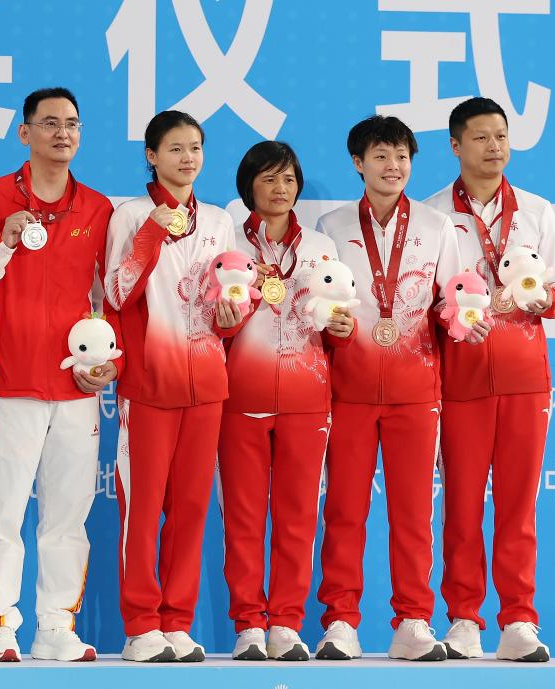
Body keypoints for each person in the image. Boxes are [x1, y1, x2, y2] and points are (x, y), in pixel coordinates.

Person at [315, 115, 482, 662]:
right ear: (358, 163)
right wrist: (331, 324)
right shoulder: (331, 226)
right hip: (349, 388)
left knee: (413, 513)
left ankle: (412, 618)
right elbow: (319, 302)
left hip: (416, 389)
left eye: (402, 157)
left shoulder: (437, 226)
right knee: (344, 510)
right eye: (380, 156)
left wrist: (459, 313)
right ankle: (340, 619)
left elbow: (452, 295)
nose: (393, 168)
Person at [0, 87, 118, 662]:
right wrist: (1, 243)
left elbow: (109, 302)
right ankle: (0, 624)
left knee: (68, 515)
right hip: (10, 384)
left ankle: (56, 625)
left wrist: (107, 363)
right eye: (49, 123)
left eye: (72, 124)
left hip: (77, 390)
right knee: (3, 511)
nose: (62, 133)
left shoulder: (99, 209)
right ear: (23, 133)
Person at [423, 97, 555, 662]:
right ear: (456, 146)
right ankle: (464, 617)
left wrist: (534, 296)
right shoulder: (434, 215)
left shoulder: (537, 210)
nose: (495, 148)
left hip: (525, 379)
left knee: (517, 504)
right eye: (481, 138)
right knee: (461, 504)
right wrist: (455, 316)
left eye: (502, 137)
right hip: (459, 380)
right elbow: (428, 298)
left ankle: (518, 620)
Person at [104, 110, 244, 663]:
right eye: (176, 148)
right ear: (152, 155)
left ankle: (177, 621)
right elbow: (116, 292)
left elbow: (229, 301)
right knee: (141, 509)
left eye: (196, 148)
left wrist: (235, 310)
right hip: (149, 383)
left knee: (190, 507)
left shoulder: (217, 220)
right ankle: (141, 624)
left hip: (207, 382)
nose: (188, 158)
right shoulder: (130, 214)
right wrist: (151, 234)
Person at [218, 141, 354, 662]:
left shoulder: (321, 247)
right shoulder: (225, 244)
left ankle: (287, 624)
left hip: (306, 399)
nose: (281, 190)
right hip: (240, 397)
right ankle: (249, 623)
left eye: (289, 179)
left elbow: (337, 325)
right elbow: (210, 318)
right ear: (249, 184)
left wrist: (341, 328)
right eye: (270, 179)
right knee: (244, 519)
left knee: (298, 516)